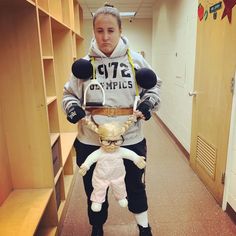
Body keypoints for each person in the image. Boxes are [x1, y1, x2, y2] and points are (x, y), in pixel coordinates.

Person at [62, 4, 161, 236]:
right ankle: (97, 227)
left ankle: (144, 227)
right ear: (93, 31)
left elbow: (154, 87)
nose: (105, 36)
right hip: (91, 140)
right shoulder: (83, 65)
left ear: (120, 30)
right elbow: (69, 94)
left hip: (130, 139)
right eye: (99, 30)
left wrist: (148, 104)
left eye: (110, 30)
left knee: (135, 186)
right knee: (95, 188)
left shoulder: (135, 61)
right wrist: (73, 108)